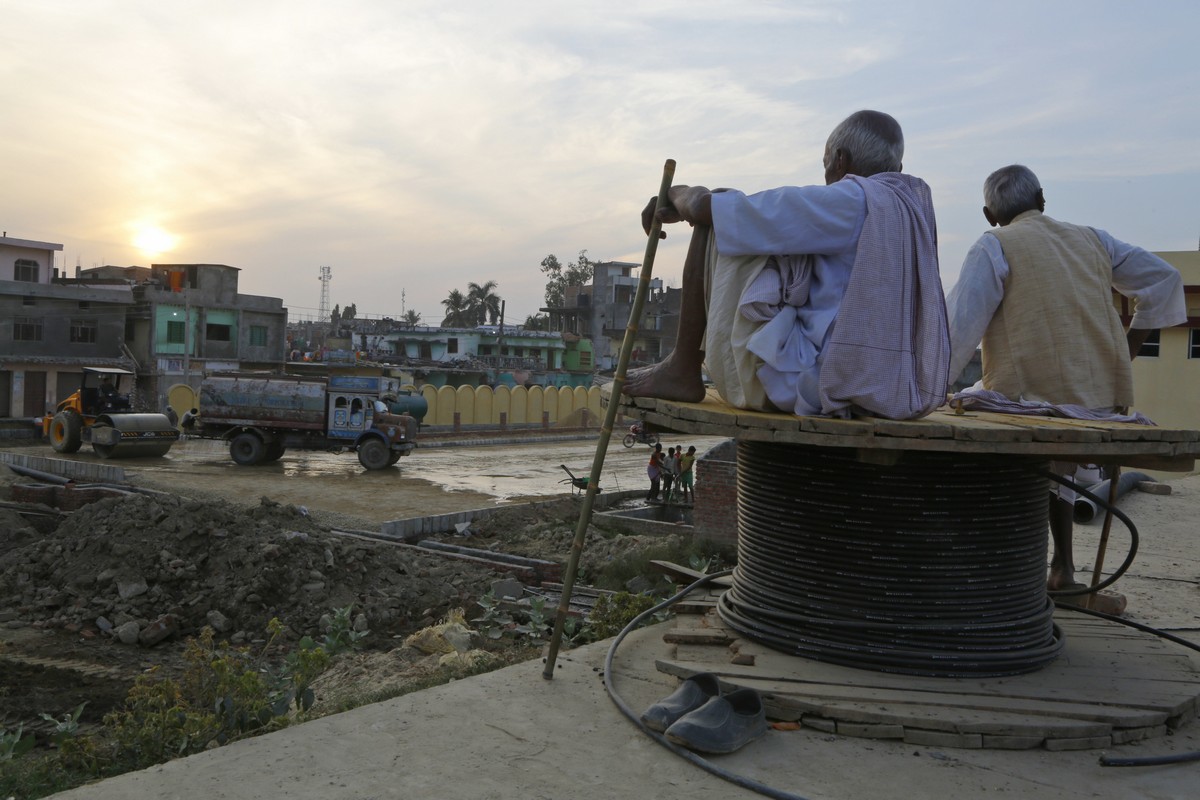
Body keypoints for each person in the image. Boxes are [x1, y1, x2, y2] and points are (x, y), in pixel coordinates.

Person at [945, 164, 1186, 592]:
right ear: (1042, 198)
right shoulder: (1095, 239)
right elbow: (1164, 279)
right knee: (1059, 461)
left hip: (1030, 401)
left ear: (988, 214)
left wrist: (930, 390)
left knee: (963, 405)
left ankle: (1005, 564)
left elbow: (957, 331)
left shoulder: (994, 244)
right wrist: (1127, 351)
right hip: (1101, 403)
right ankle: (1063, 568)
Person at [623, 110, 948, 421]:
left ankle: (682, 368)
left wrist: (674, 193)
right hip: (889, 390)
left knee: (719, 210)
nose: (826, 177)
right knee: (754, 232)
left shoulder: (848, 201)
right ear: (898, 167)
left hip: (814, 387)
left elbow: (704, 208)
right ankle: (683, 366)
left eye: (826, 165)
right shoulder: (911, 212)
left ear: (840, 160)